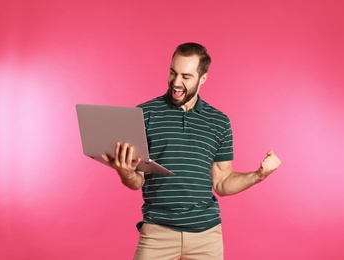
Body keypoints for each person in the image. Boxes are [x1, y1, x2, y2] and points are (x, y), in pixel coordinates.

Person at [101, 42, 281, 260]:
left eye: (186, 76)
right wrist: (125, 171)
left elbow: (222, 183)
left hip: (206, 238)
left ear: (202, 78)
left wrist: (258, 175)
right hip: (157, 233)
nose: (176, 83)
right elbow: (136, 181)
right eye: (172, 72)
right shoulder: (143, 114)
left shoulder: (219, 122)